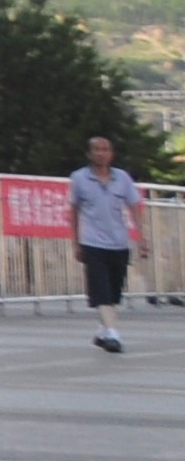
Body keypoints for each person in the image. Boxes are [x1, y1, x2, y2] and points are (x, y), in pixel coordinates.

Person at [72, 135, 144, 354]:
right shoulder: (79, 178)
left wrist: (142, 237)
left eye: (105, 149)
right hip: (93, 242)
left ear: (111, 154)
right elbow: (73, 211)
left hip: (119, 242)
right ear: (89, 153)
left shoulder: (122, 178)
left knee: (113, 293)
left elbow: (134, 206)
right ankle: (113, 334)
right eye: (97, 149)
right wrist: (76, 242)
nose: (101, 153)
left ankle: (103, 330)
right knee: (100, 290)